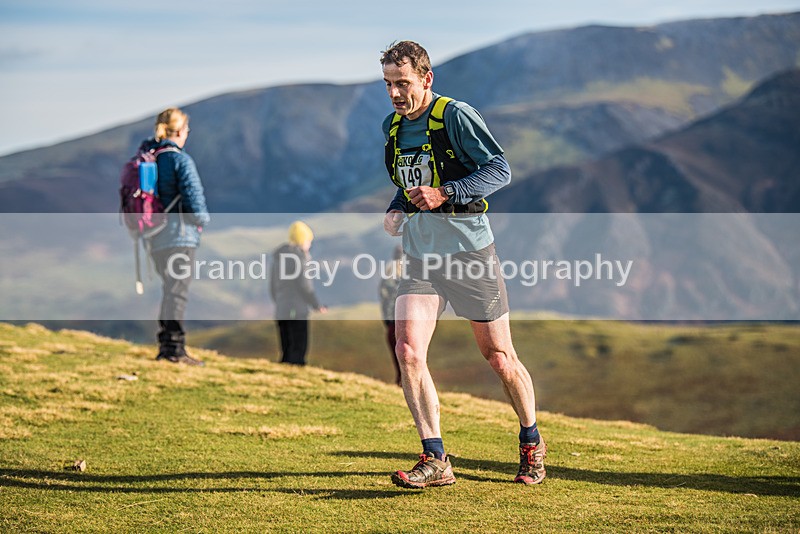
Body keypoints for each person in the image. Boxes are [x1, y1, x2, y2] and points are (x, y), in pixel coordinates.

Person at [380, 41, 546, 488]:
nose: (395, 94)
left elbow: (499, 170)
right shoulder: (392, 127)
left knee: (499, 357)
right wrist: (397, 208)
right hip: (421, 256)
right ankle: (435, 458)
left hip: (470, 255)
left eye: (403, 83)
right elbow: (406, 183)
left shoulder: (455, 116)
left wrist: (446, 193)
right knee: (407, 351)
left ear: (426, 78)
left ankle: (531, 441)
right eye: (389, 84)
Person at [145, 107, 210, 366]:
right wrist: (202, 221)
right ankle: (173, 349)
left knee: (170, 290)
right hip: (180, 236)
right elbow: (194, 198)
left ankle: (168, 346)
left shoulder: (151, 158)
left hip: (155, 236)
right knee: (177, 292)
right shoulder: (180, 160)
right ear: (180, 131)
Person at [269, 221, 327, 365]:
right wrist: (316, 305)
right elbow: (305, 285)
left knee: (286, 351)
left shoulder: (278, 257)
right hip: (297, 310)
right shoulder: (300, 257)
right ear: (302, 241)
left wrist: (280, 303)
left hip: (281, 310)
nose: (310, 245)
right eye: (308, 241)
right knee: (298, 351)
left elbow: (272, 287)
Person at [378, 245, 404, 386]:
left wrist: (387, 320)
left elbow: (384, 296)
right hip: (404, 318)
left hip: (392, 320)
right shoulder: (411, 270)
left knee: (398, 352)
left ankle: (401, 380)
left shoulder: (389, 270)